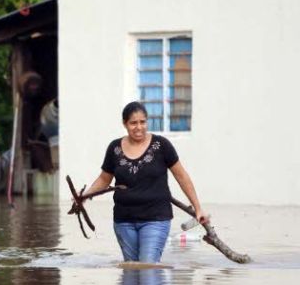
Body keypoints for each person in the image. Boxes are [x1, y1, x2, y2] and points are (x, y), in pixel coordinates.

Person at [80, 101, 209, 263]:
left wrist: (198, 208)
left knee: (148, 268)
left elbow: (181, 176)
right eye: (133, 123)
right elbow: (104, 179)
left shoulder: (161, 146)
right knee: (132, 271)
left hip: (155, 219)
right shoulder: (114, 148)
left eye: (142, 122)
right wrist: (85, 196)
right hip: (123, 221)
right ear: (125, 124)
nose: (139, 127)